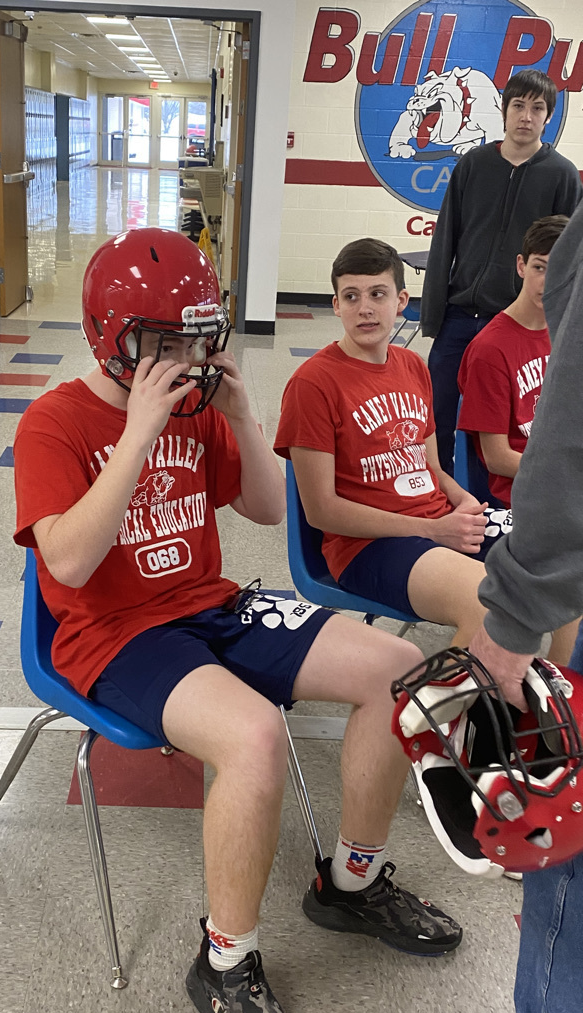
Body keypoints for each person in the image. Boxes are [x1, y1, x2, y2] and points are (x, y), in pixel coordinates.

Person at [12, 227, 462, 1013]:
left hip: (214, 604)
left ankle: (352, 883)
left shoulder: (197, 407)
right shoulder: (54, 421)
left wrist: (243, 414)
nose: (184, 360)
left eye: (195, 340)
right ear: (111, 339)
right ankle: (225, 958)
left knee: (398, 671)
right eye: (162, 344)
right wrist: (138, 432)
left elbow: (262, 506)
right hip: (115, 635)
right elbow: (71, 564)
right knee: (254, 736)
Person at [274, 237, 576, 663]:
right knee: (489, 604)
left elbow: (432, 467)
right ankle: (426, 707)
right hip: (368, 546)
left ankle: (561, 691)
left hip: (437, 520)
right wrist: (433, 531)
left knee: (568, 560)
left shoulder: (413, 365)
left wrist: (463, 500)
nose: (365, 308)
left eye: (377, 294)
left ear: (401, 301)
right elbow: (322, 511)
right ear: (336, 305)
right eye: (352, 296)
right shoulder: (312, 384)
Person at [467, 198, 583, 1013]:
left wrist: (514, 615)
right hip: (503, 514)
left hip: (545, 527)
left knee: (573, 876)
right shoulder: (492, 346)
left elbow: (567, 442)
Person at [420, 69, 581, 476]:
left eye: (537, 108)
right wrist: (433, 315)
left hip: (514, 323)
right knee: (437, 417)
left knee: (498, 428)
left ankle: (485, 499)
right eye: (518, 106)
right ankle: (440, 494)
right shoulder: (473, 164)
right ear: (504, 110)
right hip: (459, 316)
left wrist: (558, 327)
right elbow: (445, 239)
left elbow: (566, 260)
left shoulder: (561, 174)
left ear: (549, 116)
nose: (526, 116)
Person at [457, 214, 568, 510]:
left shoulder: (565, 332)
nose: (549, 281)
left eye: (562, 268)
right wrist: (565, 476)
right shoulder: (490, 350)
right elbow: (496, 458)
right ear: (521, 266)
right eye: (539, 267)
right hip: (525, 493)